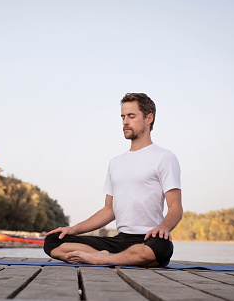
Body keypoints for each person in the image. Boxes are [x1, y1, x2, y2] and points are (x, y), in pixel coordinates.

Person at [43, 93, 182, 267]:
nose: (125, 122)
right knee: (52, 241)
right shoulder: (116, 162)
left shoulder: (164, 157)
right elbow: (109, 210)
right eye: (123, 117)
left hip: (148, 239)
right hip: (118, 241)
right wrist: (73, 229)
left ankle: (99, 258)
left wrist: (163, 228)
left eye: (131, 116)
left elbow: (176, 208)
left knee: (161, 248)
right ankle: (109, 258)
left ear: (149, 118)